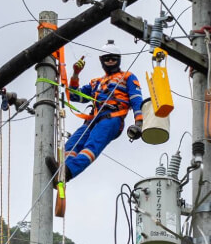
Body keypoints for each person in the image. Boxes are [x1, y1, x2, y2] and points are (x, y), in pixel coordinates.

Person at [45, 41, 144, 181]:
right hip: (92, 120)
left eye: (113, 58)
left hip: (112, 117)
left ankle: (68, 172)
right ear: (102, 61)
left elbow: (136, 99)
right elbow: (74, 95)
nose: (110, 61)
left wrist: (139, 122)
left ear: (118, 60)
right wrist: (75, 74)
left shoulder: (127, 77)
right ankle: (62, 170)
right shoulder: (96, 82)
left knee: (91, 146)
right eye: (107, 59)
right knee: (71, 144)